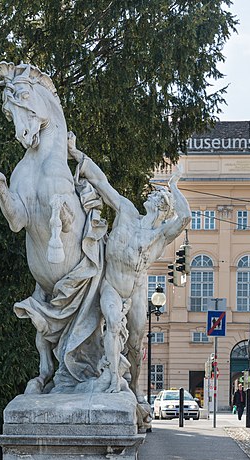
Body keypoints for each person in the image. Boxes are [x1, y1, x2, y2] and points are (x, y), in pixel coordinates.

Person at [67, 132, 191, 401]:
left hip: (134, 292)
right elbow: (101, 183)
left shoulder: (158, 235)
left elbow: (186, 217)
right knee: (112, 324)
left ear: (162, 207)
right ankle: (112, 379)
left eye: (158, 196)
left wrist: (175, 185)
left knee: (135, 343)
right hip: (110, 285)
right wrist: (76, 154)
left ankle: (134, 387)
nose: (152, 196)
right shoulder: (125, 211)